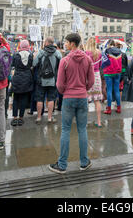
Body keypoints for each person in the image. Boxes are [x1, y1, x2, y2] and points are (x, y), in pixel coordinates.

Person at [49, 33, 94, 174]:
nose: (65, 44)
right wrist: (83, 89)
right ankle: (84, 161)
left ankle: (62, 164)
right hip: (82, 97)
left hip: (68, 98)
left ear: (72, 44)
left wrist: (65, 92)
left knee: (66, 130)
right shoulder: (87, 59)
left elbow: (60, 84)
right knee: (82, 129)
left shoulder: (65, 60)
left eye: (66, 42)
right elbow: (91, 81)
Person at [33, 37, 62, 124]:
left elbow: (34, 64)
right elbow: (61, 65)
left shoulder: (41, 52)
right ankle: (49, 118)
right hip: (53, 80)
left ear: (46, 43)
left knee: (39, 99)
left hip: (41, 80)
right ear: (53, 43)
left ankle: (38, 118)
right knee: (51, 99)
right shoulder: (57, 53)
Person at [10, 39, 33, 126]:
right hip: (27, 78)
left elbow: (12, 65)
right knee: (24, 98)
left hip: (17, 77)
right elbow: (31, 65)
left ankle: (15, 117)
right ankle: (21, 118)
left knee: (16, 97)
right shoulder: (30, 55)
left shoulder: (16, 55)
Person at [85, 37, 103, 127]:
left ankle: (85, 122)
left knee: (86, 101)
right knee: (97, 100)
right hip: (96, 76)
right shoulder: (99, 53)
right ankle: (99, 122)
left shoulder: (85, 53)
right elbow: (100, 65)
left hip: (88, 76)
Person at [103, 40, 122, 115]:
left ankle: (109, 109)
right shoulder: (119, 51)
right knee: (117, 90)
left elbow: (104, 62)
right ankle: (119, 108)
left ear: (109, 44)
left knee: (109, 90)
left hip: (108, 73)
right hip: (117, 72)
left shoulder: (106, 51)